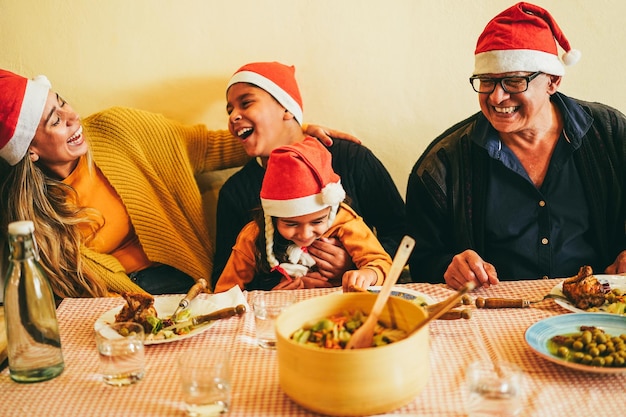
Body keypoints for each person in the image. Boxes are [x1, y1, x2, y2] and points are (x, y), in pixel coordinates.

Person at [0, 68, 346, 298]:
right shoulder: (29, 215)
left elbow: (209, 146)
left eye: (63, 103)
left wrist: (294, 134)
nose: (74, 118)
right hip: (112, 309)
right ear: (29, 150)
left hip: (184, 285)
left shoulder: (117, 129)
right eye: (55, 120)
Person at [405, 2, 625, 290]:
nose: (496, 97)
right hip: (493, 315)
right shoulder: (443, 165)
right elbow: (420, 261)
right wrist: (449, 266)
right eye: (486, 81)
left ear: (553, 81)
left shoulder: (610, 134)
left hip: (600, 308)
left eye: (513, 81)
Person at [212, 61, 406, 289]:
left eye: (246, 103)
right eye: (229, 110)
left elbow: (402, 231)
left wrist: (357, 266)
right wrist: (271, 291)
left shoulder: (351, 158)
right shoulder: (235, 191)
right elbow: (224, 280)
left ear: (286, 107)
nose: (233, 116)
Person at [214, 137, 392, 292]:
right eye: (291, 224)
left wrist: (369, 274)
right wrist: (269, 294)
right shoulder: (252, 236)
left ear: (330, 210)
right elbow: (225, 292)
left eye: (317, 221)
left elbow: (381, 263)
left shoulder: (344, 221)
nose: (305, 234)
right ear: (272, 218)